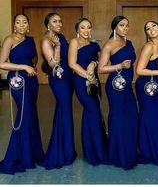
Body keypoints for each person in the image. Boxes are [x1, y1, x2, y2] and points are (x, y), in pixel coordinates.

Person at [0, 14, 44, 174]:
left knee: (31, 114)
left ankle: (31, 153)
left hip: (31, 81)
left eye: (24, 22)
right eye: (18, 22)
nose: (21, 24)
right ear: (14, 25)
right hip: (17, 80)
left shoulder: (31, 40)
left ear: (28, 25)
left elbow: (34, 57)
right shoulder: (9, 40)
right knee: (24, 114)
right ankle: (19, 155)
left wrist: (33, 67)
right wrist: (24, 67)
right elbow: (2, 63)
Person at [98, 15, 138, 170]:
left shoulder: (129, 43)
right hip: (115, 87)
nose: (125, 28)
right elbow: (101, 69)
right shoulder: (109, 45)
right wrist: (119, 65)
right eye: (122, 25)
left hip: (128, 86)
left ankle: (129, 152)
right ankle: (117, 154)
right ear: (115, 27)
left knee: (132, 116)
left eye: (127, 25)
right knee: (118, 119)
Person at [68, 18, 108, 165]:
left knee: (94, 111)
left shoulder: (95, 45)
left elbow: (101, 61)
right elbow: (72, 64)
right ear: (77, 29)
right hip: (80, 80)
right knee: (92, 110)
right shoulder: (74, 42)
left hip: (94, 81)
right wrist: (88, 76)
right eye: (82, 27)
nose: (86, 30)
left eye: (88, 27)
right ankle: (95, 153)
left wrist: (94, 63)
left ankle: (94, 149)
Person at [40, 12, 76, 169]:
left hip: (67, 77)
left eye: (60, 21)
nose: (59, 24)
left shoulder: (61, 36)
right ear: (48, 24)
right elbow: (54, 64)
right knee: (64, 108)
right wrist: (59, 46)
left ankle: (67, 149)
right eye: (55, 21)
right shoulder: (46, 40)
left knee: (64, 110)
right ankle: (60, 152)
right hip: (58, 78)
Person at [135, 20, 158, 166]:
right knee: (149, 119)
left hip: (157, 85)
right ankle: (148, 153)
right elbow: (139, 70)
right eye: (147, 28)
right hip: (146, 86)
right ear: (147, 34)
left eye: (153, 26)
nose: (151, 29)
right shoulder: (149, 47)